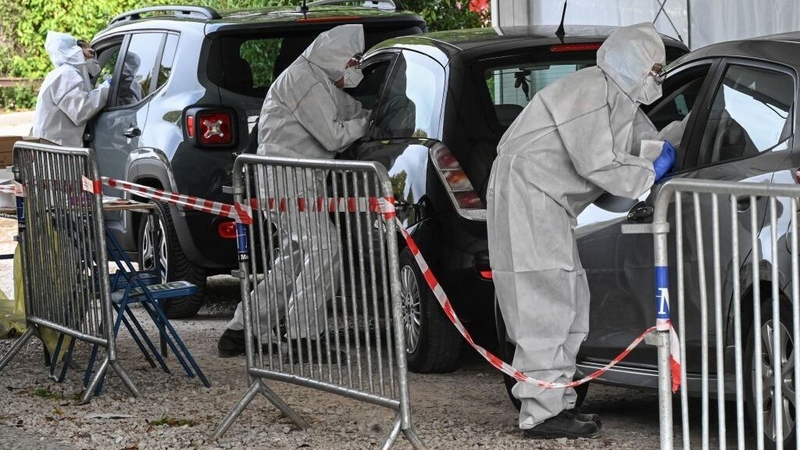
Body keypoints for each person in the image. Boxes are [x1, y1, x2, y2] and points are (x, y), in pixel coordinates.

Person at [487, 22, 677, 440]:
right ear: (633, 64)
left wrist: (662, 151)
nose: (658, 78)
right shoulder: (591, 92)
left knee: (570, 299)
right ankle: (541, 413)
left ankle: (558, 404)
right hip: (529, 197)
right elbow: (599, 162)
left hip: (547, 202)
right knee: (544, 302)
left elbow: (638, 139)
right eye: (654, 70)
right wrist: (650, 170)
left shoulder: (616, 97)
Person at [218, 24, 370, 358]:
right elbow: (334, 136)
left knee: (296, 258)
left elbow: (347, 109)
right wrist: (367, 124)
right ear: (334, 56)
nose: (355, 69)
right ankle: (304, 336)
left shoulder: (318, 79)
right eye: (352, 61)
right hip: (287, 181)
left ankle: (243, 329)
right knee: (325, 248)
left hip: (293, 180)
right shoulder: (305, 80)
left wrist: (365, 115)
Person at [31, 31, 109, 147]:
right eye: (90, 52)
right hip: (56, 149)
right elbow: (81, 110)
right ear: (76, 51)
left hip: (55, 147)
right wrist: (108, 87)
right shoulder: (65, 75)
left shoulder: (63, 74)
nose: (93, 57)